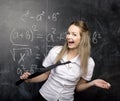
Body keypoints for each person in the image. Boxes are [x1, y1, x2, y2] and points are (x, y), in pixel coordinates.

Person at [20, 20, 111, 101]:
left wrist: (93, 83)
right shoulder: (55, 51)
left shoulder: (89, 63)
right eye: (68, 33)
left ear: (83, 39)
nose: (68, 37)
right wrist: (29, 80)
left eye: (74, 34)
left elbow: (78, 87)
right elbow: (45, 75)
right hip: (44, 97)